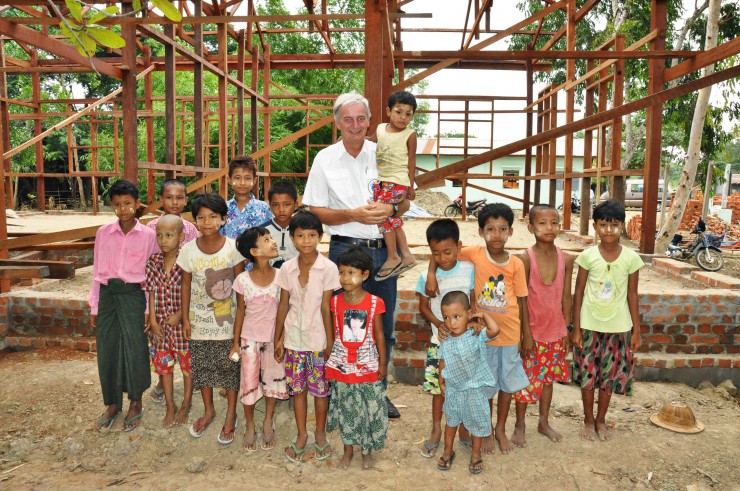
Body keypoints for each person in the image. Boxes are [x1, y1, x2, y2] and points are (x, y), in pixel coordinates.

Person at [302, 92, 411, 420]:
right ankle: (342, 390)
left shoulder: (384, 152)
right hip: (343, 252)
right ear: (337, 122)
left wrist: (392, 206)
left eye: (361, 118)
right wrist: (354, 215)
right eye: (347, 119)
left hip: (384, 254)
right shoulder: (325, 159)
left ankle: (378, 391)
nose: (355, 125)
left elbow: (406, 199)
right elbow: (315, 210)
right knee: (342, 323)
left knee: (383, 325)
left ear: (369, 120)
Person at [425, 203, 531, 454]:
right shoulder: (474, 254)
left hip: (509, 336)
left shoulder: (516, 264)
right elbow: (441, 252)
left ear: (511, 232)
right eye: (490, 229)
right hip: (480, 338)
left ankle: (501, 429)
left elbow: (524, 301)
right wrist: (431, 273)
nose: (497, 234)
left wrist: (526, 335)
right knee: (485, 387)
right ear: (481, 231)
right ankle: (483, 429)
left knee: (506, 387)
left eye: (503, 229)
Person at [571, 200, 643, 442]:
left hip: (619, 328)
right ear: (595, 226)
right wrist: (576, 328)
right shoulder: (587, 256)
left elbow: (633, 294)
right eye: (603, 225)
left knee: (608, 378)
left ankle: (601, 421)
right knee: (587, 375)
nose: (609, 230)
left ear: (622, 227)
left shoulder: (632, 258)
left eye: (614, 225)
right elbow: (578, 292)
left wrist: (636, 331)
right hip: (589, 326)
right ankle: (588, 421)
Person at [88, 179, 157, 432]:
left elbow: (152, 275)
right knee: (107, 348)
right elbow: (96, 270)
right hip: (108, 295)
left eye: (128, 203)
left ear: (137, 204)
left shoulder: (149, 235)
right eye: (117, 204)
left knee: (135, 346)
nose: (123, 209)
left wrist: (150, 309)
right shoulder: (103, 233)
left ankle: (136, 400)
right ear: (112, 206)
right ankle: (112, 403)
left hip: (134, 295)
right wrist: (94, 305)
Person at [177, 193, 245, 445]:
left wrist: (241, 320)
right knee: (203, 369)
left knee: (229, 369)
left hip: (227, 323)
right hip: (198, 323)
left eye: (213, 217)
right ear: (194, 220)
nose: (207, 222)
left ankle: (231, 414)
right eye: (201, 217)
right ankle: (208, 410)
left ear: (223, 219)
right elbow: (185, 285)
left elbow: (240, 286)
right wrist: (185, 318)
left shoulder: (233, 247)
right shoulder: (187, 251)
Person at [274, 211, 340, 462]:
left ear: (320, 237)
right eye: (300, 235)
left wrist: (330, 341)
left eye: (312, 235)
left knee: (321, 391)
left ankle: (320, 434)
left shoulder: (328, 268)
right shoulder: (287, 268)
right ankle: (301, 434)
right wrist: (277, 338)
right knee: (298, 390)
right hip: (293, 340)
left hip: (317, 342)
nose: (306, 240)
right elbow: (283, 305)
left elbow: (326, 307)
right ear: (292, 238)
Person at [513, 204, 574, 445]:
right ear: (530, 227)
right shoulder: (525, 259)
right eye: (542, 223)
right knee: (525, 381)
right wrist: (525, 334)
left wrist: (566, 330)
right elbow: (521, 299)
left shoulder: (566, 259)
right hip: (533, 333)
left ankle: (543, 422)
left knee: (548, 380)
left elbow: (566, 296)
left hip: (555, 332)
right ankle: (520, 424)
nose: (549, 228)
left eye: (554, 222)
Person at [415, 219, 475, 458]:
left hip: (466, 345)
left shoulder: (469, 269)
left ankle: (463, 430)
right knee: (438, 391)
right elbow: (423, 307)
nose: (442, 258)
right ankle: (436, 429)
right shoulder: (426, 276)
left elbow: (473, 302)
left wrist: (470, 326)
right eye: (435, 254)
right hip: (440, 344)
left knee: (465, 389)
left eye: (448, 252)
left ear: (459, 246)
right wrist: (439, 324)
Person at [326, 247, 388, 470]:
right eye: (341, 272)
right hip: (342, 365)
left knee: (368, 409)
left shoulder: (374, 303)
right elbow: (333, 333)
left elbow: (379, 335)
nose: (345, 278)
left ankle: (366, 451)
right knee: (346, 409)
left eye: (351, 272)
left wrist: (382, 363)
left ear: (364, 275)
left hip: (367, 365)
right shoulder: (334, 302)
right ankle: (348, 450)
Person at [232, 226, 288, 451]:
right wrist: (235, 343)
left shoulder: (281, 277)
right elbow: (240, 312)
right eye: (266, 240)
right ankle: (249, 423)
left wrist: (281, 340)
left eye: (271, 238)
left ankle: (267, 420)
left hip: (274, 341)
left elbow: (285, 310)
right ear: (255, 251)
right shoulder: (243, 280)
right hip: (249, 341)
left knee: (273, 381)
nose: (272, 242)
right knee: (249, 382)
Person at [146, 179, 199, 405]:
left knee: (186, 351)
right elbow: (149, 275)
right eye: (169, 197)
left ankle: (188, 389)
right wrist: (150, 312)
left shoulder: (191, 230)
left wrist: (184, 312)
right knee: (160, 348)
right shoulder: (151, 229)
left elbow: (196, 276)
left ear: (186, 200)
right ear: (161, 199)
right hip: (159, 305)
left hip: (182, 304)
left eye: (179, 198)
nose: (174, 202)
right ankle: (162, 381)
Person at [436, 291, 500, 475]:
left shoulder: (476, 334)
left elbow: (495, 330)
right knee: (451, 423)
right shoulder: (446, 340)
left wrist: (485, 316)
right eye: (446, 318)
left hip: (474, 389)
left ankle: (476, 454)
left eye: (457, 316)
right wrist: (441, 382)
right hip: (454, 389)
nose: (451, 322)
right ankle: (448, 452)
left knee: (477, 423)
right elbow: (443, 361)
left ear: (468, 314)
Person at [143, 215, 192, 428]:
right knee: (164, 367)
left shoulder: (187, 260)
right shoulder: (153, 261)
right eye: (160, 235)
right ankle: (170, 405)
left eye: (169, 235)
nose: (163, 240)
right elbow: (152, 293)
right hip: (161, 326)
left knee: (187, 366)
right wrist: (153, 321)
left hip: (183, 326)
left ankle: (186, 403)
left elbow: (194, 291)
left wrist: (181, 314)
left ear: (181, 237)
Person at [369, 91, 418, 280]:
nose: (403, 117)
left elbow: (412, 161)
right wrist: (349, 139)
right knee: (389, 218)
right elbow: (371, 141)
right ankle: (406, 255)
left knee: (381, 215)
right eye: (399, 112)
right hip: (383, 181)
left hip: (398, 181)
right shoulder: (381, 129)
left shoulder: (410, 134)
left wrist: (411, 186)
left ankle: (393, 256)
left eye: (408, 114)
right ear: (389, 111)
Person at [221, 155, 273, 243]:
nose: (242, 183)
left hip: (256, 256)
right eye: (237, 178)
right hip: (229, 256)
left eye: (247, 178)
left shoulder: (263, 208)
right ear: (229, 180)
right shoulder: (223, 208)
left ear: (255, 181)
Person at [258, 180, 299, 269]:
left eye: (287, 204)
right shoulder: (262, 231)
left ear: (296, 204)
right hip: (269, 279)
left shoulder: (301, 229)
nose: (281, 209)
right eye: (276, 205)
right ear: (270, 205)